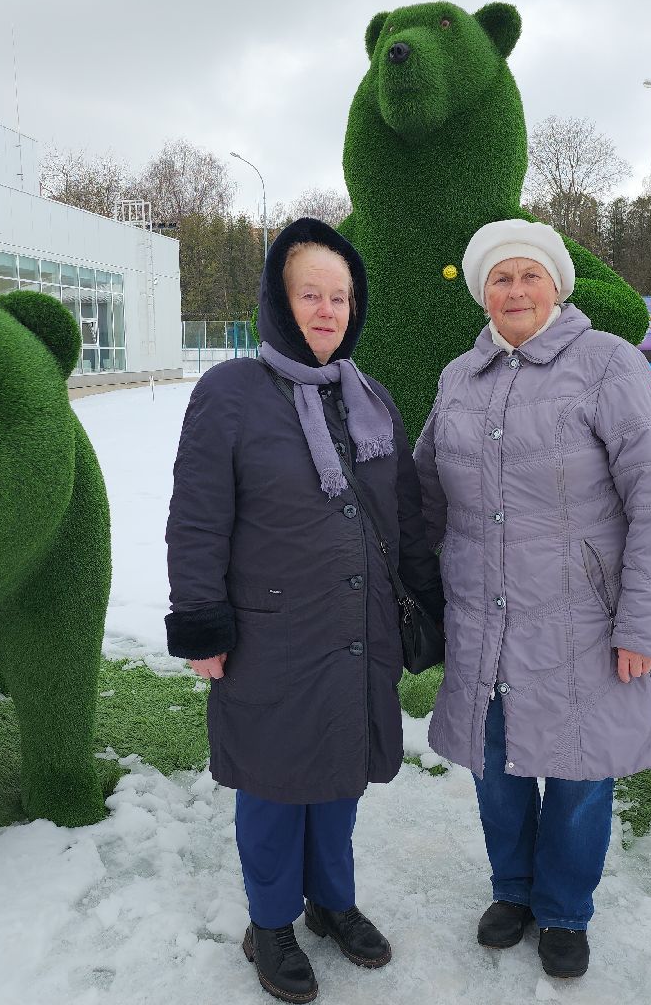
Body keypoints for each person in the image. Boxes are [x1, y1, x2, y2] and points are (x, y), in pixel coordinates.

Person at [165, 217, 444, 1004]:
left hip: (360, 634)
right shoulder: (230, 393)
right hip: (269, 634)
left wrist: (428, 600)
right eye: (312, 295)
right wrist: (201, 620)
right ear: (280, 302)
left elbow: (405, 518)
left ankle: (330, 903)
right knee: (275, 784)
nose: (329, 311)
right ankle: (271, 922)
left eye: (341, 297)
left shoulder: (371, 397)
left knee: (338, 776)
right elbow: (197, 518)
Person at [413, 219, 651, 980]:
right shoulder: (457, 378)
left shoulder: (608, 365)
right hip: (485, 619)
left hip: (585, 624)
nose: (514, 291)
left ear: (557, 285)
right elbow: (425, 498)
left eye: (529, 276)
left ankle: (565, 909)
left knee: (577, 775)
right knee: (496, 768)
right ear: (481, 294)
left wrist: (646, 625)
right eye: (499, 279)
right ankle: (513, 892)